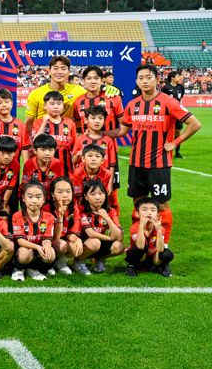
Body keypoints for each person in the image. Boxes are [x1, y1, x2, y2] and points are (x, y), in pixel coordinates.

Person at [108, 64, 201, 244]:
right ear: (136, 81)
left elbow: (195, 124)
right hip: (136, 163)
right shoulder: (133, 105)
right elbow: (121, 131)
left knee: (161, 205)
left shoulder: (168, 102)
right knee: (138, 204)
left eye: (148, 77)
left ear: (156, 79)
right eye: (141, 78)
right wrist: (101, 134)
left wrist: (174, 143)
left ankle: (162, 246)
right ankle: (139, 243)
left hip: (159, 163)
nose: (144, 81)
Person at [25, 56, 90, 136]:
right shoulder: (36, 94)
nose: (59, 72)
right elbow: (29, 122)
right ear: (49, 71)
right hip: (43, 140)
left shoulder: (79, 91)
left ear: (69, 72)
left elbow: (95, 96)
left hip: (66, 139)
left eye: (63, 68)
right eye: (55, 68)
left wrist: (108, 89)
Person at [72, 179, 123, 275]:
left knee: (119, 246)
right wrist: (109, 238)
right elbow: (90, 233)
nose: (98, 197)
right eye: (93, 194)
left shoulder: (111, 211)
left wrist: (107, 218)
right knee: (95, 242)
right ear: (85, 197)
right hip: (84, 244)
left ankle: (99, 260)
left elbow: (119, 237)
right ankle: (78, 261)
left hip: (100, 243)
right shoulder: (81, 210)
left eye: (101, 193)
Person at [11, 182, 56, 281]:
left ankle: (33, 269)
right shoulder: (17, 216)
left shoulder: (49, 217)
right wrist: (37, 247)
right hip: (24, 249)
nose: (34, 200)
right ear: (23, 198)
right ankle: (18, 269)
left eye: (38, 197)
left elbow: (47, 238)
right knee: (24, 253)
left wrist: (47, 246)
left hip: (38, 249)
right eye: (30, 197)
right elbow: (20, 241)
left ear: (44, 199)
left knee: (51, 253)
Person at [125, 197, 173, 277]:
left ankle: (163, 266)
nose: (149, 213)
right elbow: (140, 246)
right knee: (136, 249)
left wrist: (159, 231)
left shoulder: (160, 228)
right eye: (144, 210)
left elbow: (160, 249)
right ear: (137, 214)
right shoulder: (135, 227)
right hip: (139, 258)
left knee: (167, 254)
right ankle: (131, 266)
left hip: (153, 259)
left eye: (153, 210)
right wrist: (141, 226)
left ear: (158, 215)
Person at [32, 91, 77, 174]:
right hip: (45, 167)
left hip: (66, 167)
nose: (56, 106)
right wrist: (44, 122)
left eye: (59, 104)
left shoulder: (70, 123)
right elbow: (35, 142)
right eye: (52, 104)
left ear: (63, 106)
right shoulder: (39, 122)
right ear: (45, 106)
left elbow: (75, 147)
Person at [72, 65, 124, 135]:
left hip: (109, 145)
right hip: (86, 145)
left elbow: (124, 128)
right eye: (89, 78)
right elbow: (77, 124)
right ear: (83, 81)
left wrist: (100, 134)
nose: (92, 81)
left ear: (102, 81)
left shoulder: (113, 98)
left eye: (96, 78)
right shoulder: (78, 102)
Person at [21, 134, 64, 213]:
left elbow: (59, 185)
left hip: (51, 199)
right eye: (43, 149)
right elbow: (25, 186)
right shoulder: (29, 164)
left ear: (55, 151)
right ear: (35, 150)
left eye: (51, 150)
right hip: (34, 198)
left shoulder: (58, 163)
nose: (47, 153)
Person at [0, 88, 29, 163]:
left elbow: (25, 148)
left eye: (6, 102)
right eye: (0, 103)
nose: (4, 105)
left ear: (12, 103)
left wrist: (26, 167)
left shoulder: (20, 124)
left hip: (14, 169)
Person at [50, 176, 81, 275]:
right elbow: (55, 238)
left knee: (76, 247)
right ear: (52, 194)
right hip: (47, 242)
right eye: (60, 192)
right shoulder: (46, 209)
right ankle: (48, 264)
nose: (65, 195)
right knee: (61, 245)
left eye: (68, 191)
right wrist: (60, 216)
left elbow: (73, 234)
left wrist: (78, 240)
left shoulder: (74, 208)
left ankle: (61, 262)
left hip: (62, 241)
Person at [161, 70, 186, 158]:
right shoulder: (165, 88)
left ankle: (177, 152)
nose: (180, 78)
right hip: (167, 113)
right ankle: (163, 150)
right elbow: (162, 99)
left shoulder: (181, 87)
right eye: (178, 76)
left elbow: (181, 97)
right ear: (172, 78)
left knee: (178, 132)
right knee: (166, 132)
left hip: (178, 113)